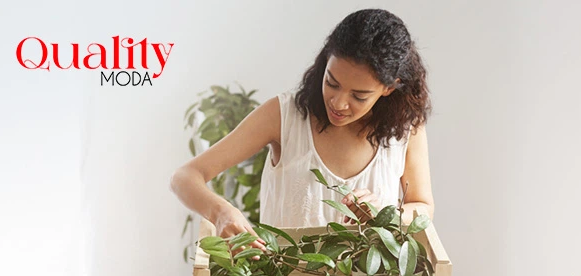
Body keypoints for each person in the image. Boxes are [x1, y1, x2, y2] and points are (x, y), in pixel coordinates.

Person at [170, 8, 434, 252]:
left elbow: (423, 207)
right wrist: (221, 212)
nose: (339, 103)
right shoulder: (284, 115)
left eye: (359, 96)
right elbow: (184, 177)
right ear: (325, 62)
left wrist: (386, 213)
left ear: (389, 88)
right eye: (332, 82)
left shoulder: (406, 127)